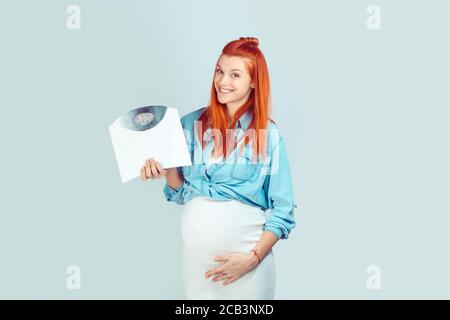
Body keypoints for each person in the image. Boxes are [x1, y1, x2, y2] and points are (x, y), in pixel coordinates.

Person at [141, 37, 297, 300]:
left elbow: (284, 208)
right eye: (219, 71)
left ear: (254, 81)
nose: (223, 82)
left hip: (247, 267)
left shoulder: (268, 135)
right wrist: (165, 169)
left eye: (235, 75)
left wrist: (252, 259)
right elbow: (181, 193)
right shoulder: (190, 124)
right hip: (197, 268)